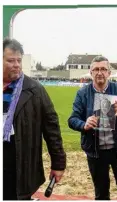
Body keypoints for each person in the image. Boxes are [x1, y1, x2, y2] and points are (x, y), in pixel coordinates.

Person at [3, 38, 66, 200]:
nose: (16, 64)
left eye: (19, 60)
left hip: (20, 163)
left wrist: (58, 163)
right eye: (11, 60)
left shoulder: (35, 90)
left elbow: (52, 128)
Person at [68, 56, 117, 200]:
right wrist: (84, 124)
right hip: (96, 152)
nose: (100, 72)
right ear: (91, 72)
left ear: (109, 73)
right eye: (96, 69)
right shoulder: (82, 93)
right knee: (101, 194)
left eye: (103, 69)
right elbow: (72, 119)